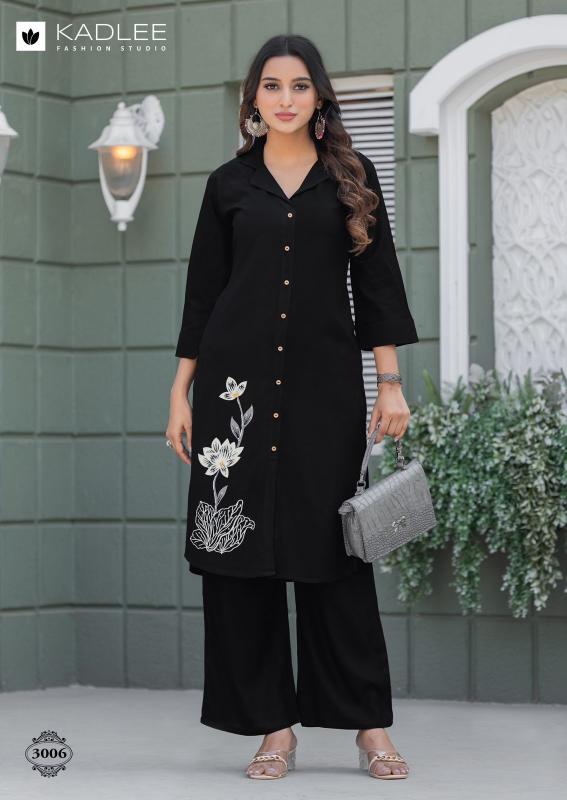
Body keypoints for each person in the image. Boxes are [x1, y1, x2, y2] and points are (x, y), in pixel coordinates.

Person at [166, 34, 418, 780]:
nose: (284, 98)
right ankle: (274, 730)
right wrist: (179, 392)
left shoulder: (351, 176)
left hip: (323, 393)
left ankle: (369, 727)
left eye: (299, 85)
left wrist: (391, 381)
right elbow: (204, 293)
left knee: (335, 557)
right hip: (232, 398)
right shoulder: (227, 185)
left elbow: (377, 284)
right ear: (253, 98)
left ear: (318, 96)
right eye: (271, 86)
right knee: (239, 560)